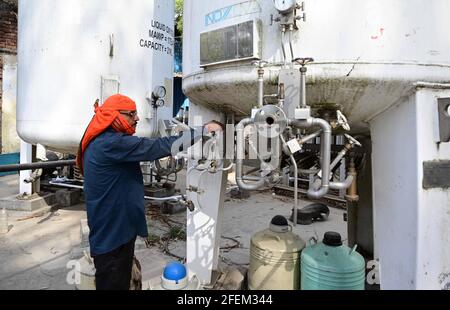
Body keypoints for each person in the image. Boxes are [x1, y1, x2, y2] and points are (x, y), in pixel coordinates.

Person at [76, 94, 222, 290]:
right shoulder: (110, 143)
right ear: (115, 116)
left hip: (114, 229)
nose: (137, 118)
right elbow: (157, 146)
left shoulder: (101, 140)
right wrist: (202, 131)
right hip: (113, 236)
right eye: (132, 114)